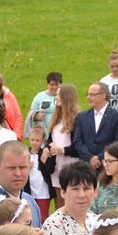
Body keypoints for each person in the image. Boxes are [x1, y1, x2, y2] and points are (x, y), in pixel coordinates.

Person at [73, 83, 118, 172]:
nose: (88, 97)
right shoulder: (82, 117)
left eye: (92, 94)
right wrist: (90, 158)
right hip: (85, 167)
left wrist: (100, 157)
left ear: (103, 96)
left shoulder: (117, 116)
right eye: (88, 94)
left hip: (108, 167)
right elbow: (78, 141)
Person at [44, 82, 80, 210]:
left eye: (59, 95)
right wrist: (47, 149)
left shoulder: (77, 120)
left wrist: (62, 150)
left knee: (71, 201)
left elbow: (79, 147)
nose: (56, 98)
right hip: (57, 166)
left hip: (71, 166)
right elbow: (49, 141)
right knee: (59, 202)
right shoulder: (56, 120)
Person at [92, 141, 118, 214]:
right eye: (105, 161)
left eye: (109, 161)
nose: (105, 165)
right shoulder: (101, 183)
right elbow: (92, 207)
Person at [26, 72, 61, 140]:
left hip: (59, 132)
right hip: (43, 134)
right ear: (47, 84)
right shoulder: (40, 96)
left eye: (57, 85)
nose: (54, 87)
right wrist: (36, 116)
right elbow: (30, 113)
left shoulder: (64, 96)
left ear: (61, 84)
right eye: (51, 84)